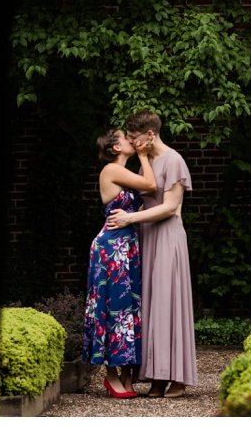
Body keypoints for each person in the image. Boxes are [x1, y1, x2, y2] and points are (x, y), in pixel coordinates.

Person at [105, 110, 195, 398]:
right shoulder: (148, 162)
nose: (132, 142)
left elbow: (170, 206)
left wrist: (129, 219)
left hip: (168, 236)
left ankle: (177, 377)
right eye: (128, 138)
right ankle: (156, 377)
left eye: (134, 137)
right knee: (151, 307)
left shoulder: (173, 160)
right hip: (147, 237)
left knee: (169, 303)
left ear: (150, 135)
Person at [82, 127, 156, 399]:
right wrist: (145, 156)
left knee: (127, 309)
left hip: (127, 247)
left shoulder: (124, 175)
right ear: (116, 147)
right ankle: (111, 375)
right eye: (126, 138)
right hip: (111, 249)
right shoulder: (111, 170)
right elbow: (150, 185)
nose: (130, 141)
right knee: (113, 308)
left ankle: (124, 373)